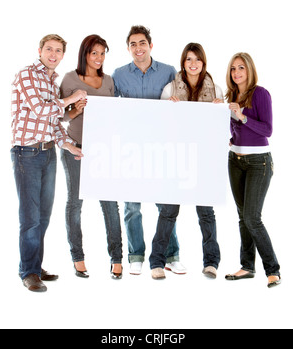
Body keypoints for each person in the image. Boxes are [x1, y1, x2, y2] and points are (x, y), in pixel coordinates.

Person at [11, 34, 87, 292]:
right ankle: (28, 272)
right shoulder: (27, 75)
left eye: (58, 51)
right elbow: (40, 110)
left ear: (63, 54)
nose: (53, 54)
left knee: (43, 216)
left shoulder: (51, 82)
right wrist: (69, 99)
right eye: (49, 49)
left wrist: (68, 145)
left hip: (48, 154)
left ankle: (34, 265)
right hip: (26, 153)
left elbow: (53, 123)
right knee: (30, 217)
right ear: (40, 50)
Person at [112, 25, 186, 278]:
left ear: (150, 45)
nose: (138, 48)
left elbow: (179, 106)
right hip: (131, 148)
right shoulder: (119, 75)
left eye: (142, 43)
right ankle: (136, 256)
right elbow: (112, 110)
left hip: (160, 148)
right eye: (133, 44)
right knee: (132, 205)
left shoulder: (168, 72)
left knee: (165, 205)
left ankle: (171, 255)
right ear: (128, 48)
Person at [60, 34, 123, 280]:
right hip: (76, 147)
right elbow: (60, 116)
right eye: (93, 52)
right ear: (84, 53)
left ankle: (116, 259)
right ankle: (78, 258)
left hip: (104, 150)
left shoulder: (108, 81)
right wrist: (75, 109)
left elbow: (115, 114)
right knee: (75, 203)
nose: (98, 58)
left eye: (102, 53)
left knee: (109, 204)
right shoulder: (69, 79)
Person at [161, 43, 222, 278]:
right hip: (177, 157)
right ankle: (159, 261)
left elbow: (222, 129)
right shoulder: (170, 89)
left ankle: (211, 263)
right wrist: (168, 109)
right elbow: (160, 125)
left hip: (204, 160)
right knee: (168, 211)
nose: (193, 64)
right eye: (188, 59)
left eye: (197, 59)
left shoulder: (215, 90)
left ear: (203, 63)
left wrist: (220, 110)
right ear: (183, 63)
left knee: (206, 213)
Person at [223, 52, 281, 288]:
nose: (236, 73)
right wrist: (232, 137)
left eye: (241, 68)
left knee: (252, 218)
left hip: (259, 162)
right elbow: (235, 129)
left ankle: (273, 269)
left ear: (250, 70)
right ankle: (247, 266)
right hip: (235, 160)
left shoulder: (261, 94)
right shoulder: (231, 95)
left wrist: (243, 118)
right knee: (242, 217)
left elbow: (267, 130)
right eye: (233, 69)